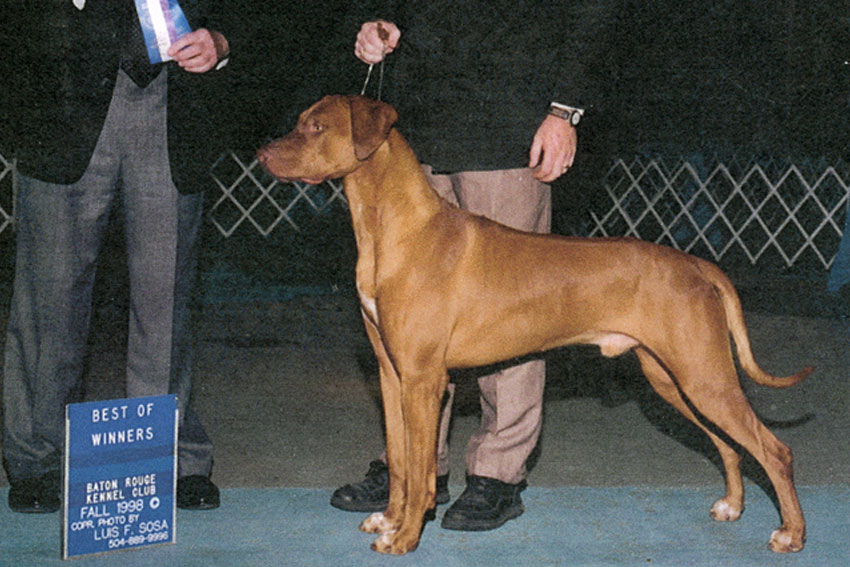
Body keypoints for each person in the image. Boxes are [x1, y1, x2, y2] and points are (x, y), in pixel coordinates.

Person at [330, 3, 610, 531]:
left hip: (508, 124)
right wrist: (381, 22)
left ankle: (496, 476)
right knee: (412, 323)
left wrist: (565, 110)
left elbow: (590, 14)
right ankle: (413, 472)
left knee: (515, 315)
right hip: (418, 129)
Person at [0, 0, 239, 513]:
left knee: (166, 299)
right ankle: (37, 458)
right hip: (61, 103)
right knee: (50, 299)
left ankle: (169, 458)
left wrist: (221, 40)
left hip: (174, 106)